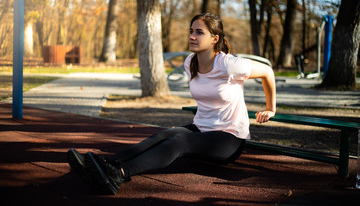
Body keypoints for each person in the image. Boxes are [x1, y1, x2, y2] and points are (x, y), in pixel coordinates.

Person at [67, 13, 276, 195]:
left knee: (178, 141)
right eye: (191, 31)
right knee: (163, 135)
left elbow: (267, 72)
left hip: (229, 139)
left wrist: (270, 108)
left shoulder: (229, 65)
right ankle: (107, 164)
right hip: (202, 128)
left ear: (215, 39)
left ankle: (118, 174)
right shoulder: (190, 63)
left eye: (199, 32)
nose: (192, 36)